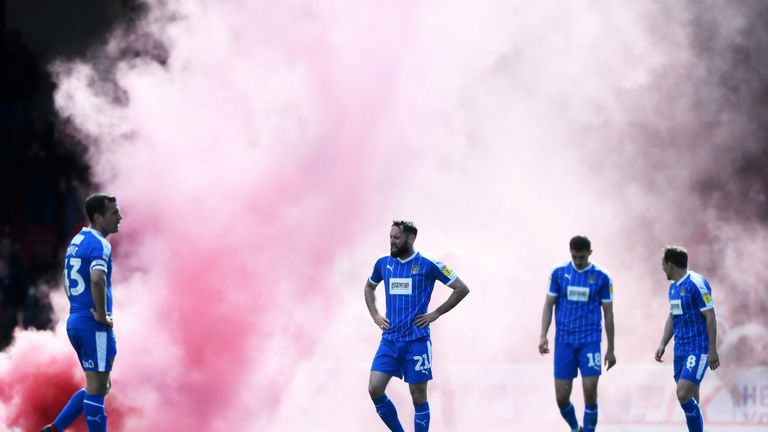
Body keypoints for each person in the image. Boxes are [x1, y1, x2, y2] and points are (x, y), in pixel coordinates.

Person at [365, 221, 470, 432]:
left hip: (417, 341)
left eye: (396, 238)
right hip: (390, 340)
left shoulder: (429, 264)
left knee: (419, 395)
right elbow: (369, 286)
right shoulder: (383, 263)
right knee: (375, 388)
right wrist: (375, 315)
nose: (392, 242)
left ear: (410, 239)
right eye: (390, 238)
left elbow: (461, 288)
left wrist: (435, 313)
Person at [42, 193, 122, 432]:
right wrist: (99, 314)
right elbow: (97, 278)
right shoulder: (100, 244)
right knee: (97, 389)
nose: (120, 217)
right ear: (98, 217)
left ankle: (55, 429)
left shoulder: (77, 241)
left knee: (98, 386)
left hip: (76, 320)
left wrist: (79, 307)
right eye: (114, 213)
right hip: (92, 324)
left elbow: (67, 279)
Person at [539, 235, 616, 432]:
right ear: (570, 253)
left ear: (590, 253)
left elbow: (608, 313)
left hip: (590, 341)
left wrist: (611, 348)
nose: (579, 261)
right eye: (575, 257)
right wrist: (543, 335)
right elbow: (549, 305)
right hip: (564, 342)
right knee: (561, 398)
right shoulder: (558, 273)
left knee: (590, 392)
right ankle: (576, 428)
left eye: (582, 257)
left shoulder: (602, 277)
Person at [654, 245, 720, 432]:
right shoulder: (673, 288)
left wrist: (712, 349)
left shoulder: (696, 283)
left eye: (663, 264)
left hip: (698, 349)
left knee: (682, 393)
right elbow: (672, 317)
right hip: (680, 351)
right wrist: (663, 343)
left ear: (670, 264)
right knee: (692, 400)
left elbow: (711, 316)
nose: (662, 268)